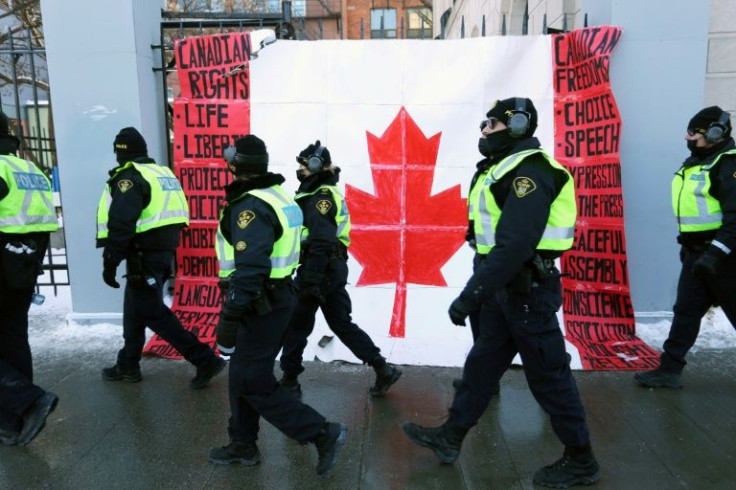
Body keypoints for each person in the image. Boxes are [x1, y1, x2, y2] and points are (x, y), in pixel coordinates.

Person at [402, 98, 600, 489]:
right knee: (482, 365)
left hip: (527, 291)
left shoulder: (532, 171)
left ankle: (581, 459)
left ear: (517, 126)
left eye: (490, 124)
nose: (483, 132)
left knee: (549, 378)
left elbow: (515, 245)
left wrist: (471, 294)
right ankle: (451, 436)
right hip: (504, 290)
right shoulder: (502, 169)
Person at [210, 135, 347, 475]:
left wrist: (231, 315)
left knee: (253, 379)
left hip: (259, 302)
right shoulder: (277, 195)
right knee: (241, 374)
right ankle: (242, 443)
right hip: (275, 297)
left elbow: (252, 268)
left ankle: (320, 432)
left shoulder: (250, 207)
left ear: (234, 165)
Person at [96, 127, 225, 388]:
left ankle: (204, 359)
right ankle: (128, 363)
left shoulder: (130, 177)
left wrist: (110, 261)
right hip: (160, 254)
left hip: (142, 254)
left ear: (121, 153)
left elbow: (121, 221)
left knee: (152, 313)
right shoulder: (162, 173)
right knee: (134, 309)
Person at [278, 140, 402, 399]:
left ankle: (289, 381)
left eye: (302, 165)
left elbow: (321, 239)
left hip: (320, 267)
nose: (299, 169)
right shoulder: (320, 193)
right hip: (331, 267)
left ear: (314, 166)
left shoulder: (320, 197)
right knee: (341, 323)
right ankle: (383, 368)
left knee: (296, 324)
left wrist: (311, 279)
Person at [635, 106, 736, 389]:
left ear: (715, 134)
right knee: (685, 312)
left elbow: (735, 218)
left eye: (694, 132)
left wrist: (716, 253)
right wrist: (691, 247)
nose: (687, 136)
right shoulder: (698, 162)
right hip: (697, 254)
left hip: (725, 258)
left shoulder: (729, 166)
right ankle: (669, 369)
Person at [0, 111, 59, 446]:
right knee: (13, 339)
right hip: (22, 265)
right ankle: (13, 421)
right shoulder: (28, 168)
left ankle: (28, 400)